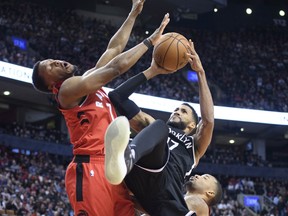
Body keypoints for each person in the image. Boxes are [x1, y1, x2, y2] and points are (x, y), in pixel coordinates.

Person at [31, 0, 171, 213]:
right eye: (50, 66)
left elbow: (113, 49)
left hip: (114, 168)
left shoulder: (88, 81)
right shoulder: (66, 91)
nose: (56, 61)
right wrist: (150, 41)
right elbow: (115, 68)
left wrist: (133, 14)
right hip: (89, 169)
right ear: (51, 84)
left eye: (53, 59)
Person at [104, 40, 221, 215]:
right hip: (139, 169)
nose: (177, 111)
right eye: (176, 109)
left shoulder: (194, 148)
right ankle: (127, 157)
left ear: (192, 125)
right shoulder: (155, 127)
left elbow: (208, 120)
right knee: (159, 126)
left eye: (183, 111)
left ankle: (125, 158)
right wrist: (153, 71)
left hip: (162, 189)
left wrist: (201, 73)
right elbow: (117, 97)